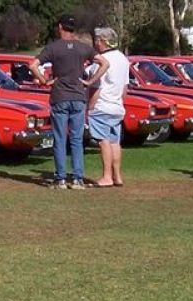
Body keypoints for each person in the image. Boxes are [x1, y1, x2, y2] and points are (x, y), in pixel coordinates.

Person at [29, 15, 110, 190]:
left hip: (60, 96)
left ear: (60, 27)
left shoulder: (53, 48)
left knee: (59, 139)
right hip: (78, 97)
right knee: (76, 139)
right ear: (73, 29)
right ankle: (78, 178)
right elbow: (104, 63)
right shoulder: (83, 48)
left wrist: (44, 80)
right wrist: (89, 81)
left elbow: (33, 65)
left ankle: (60, 179)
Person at [84, 27, 129, 188]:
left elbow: (96, 88)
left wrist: (89, 109)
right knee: (114, 141)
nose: (95, 43)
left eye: (97, 40)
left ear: (102, 41)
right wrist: (119, 102)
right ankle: (117, 176)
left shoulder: (100, 62)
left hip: (102, 106)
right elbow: (125, 87)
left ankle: (107, 176)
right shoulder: (123, 59)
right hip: (117, 106)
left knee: (103, 142)